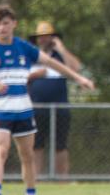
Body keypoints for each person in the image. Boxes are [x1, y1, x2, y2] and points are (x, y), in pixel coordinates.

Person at [0, 5, 95, 195]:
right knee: (1, 148)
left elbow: (53, 64)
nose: (2, 28)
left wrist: (79, 78)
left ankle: (30, 191)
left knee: (27, 155)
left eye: (5, 23)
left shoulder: (23, 47)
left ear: (14, 24)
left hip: (22, 108)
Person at [28, 21, 82, 176]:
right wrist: (35, 75)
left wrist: (61, 49)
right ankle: (34, 182)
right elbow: (18, 79)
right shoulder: (31, 56)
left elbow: (76, 69)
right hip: (37, 108)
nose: (44, 40)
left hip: (60, 108)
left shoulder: (60, 57)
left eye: (47, 36)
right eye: (41, 37)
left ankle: (62, 183)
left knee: (61, 146)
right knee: (36, 145)